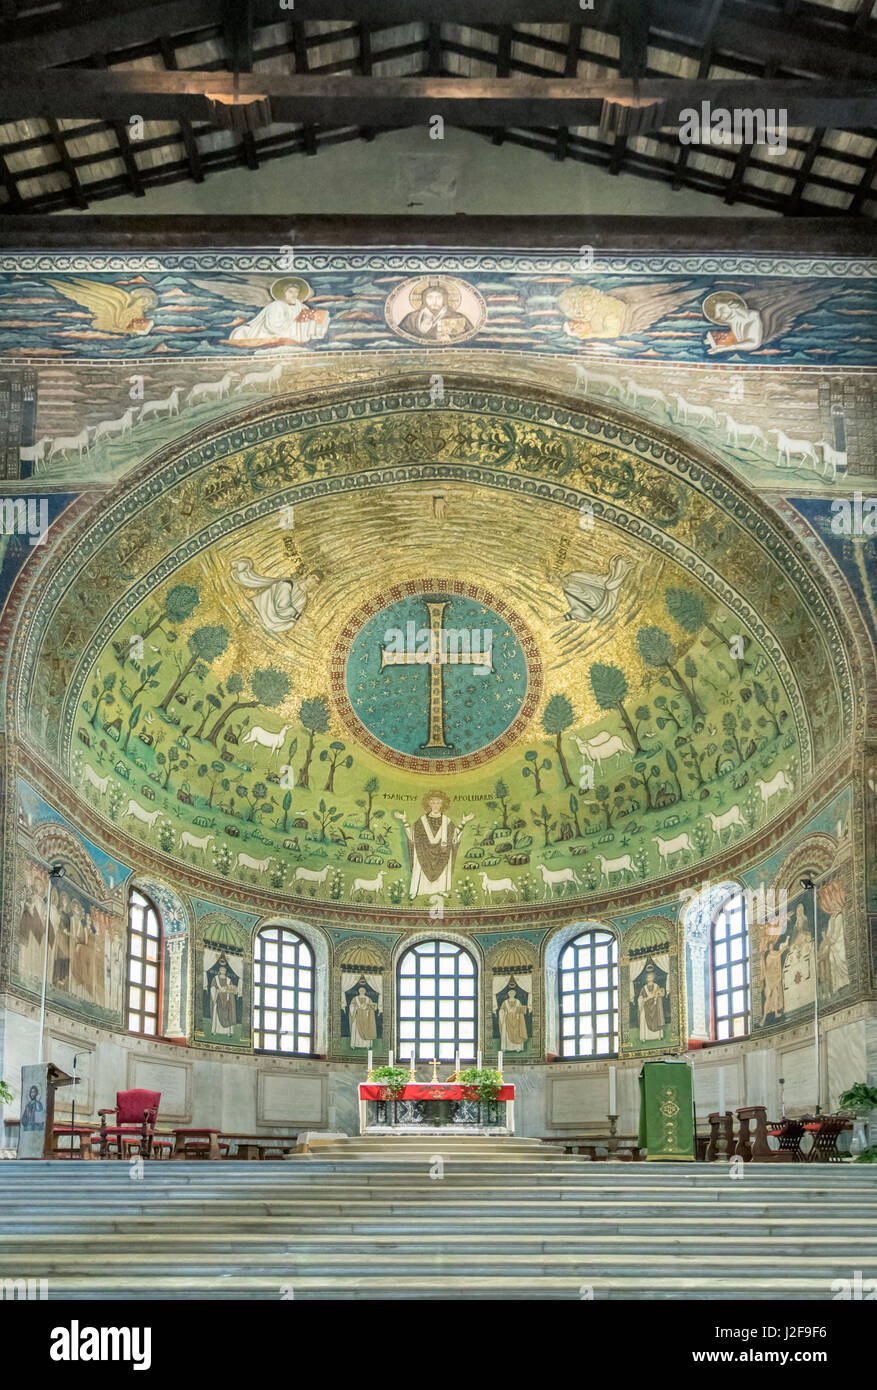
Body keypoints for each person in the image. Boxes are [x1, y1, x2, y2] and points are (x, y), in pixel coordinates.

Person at [395, 791, 473, 899]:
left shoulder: (447, 821)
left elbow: (454, 837)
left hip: (442, 853)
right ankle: (417, 890)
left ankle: (441, 890)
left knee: (443, 868)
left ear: (442, 805)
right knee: (420, 866)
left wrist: (463, 822)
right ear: (429, 804)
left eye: (438, 803)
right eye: (433, 802)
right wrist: (404, 820)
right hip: (424, 852)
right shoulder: (421, 821)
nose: (435, 805)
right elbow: (413, 836)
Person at [231, 561, 322, 635]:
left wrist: (298, 618)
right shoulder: (289, 583)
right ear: (308, 576)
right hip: (266, 606)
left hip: (277, 617)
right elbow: (282, 604)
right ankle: (258, 613)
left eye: (316, 581)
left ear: (316, 586)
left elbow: (291, 615)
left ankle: (265, 625)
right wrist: (300, 618)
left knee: (291, 623)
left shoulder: (303, 599)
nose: (312, 582)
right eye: (313, 577)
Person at [229, 278, 329, 346]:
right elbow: (272, 326)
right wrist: (293, 320)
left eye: (296, 292)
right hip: (271, 331)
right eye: (290, 291)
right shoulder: (276, 305)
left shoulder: (301, 306)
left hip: (292, 330)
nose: (294, 294)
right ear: (284, 293)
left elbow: (308, 318)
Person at [398, 283, 475, 342]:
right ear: (424, 300)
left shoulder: (458, 317)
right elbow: (400, 336)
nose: (434, 301)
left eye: (438, 297)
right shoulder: (412, 317)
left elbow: (471, 336)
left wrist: (451, 338)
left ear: (444, 299)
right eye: (430, 298)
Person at [497, 983, 529, 1052]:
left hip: (516, 1020)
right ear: (508, 994)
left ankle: (517, 1048)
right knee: (506, 1033)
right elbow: (501, 1011)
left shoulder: (518, 1002)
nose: (511, 994)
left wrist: (519, 1012)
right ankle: (506, 1048)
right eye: (510, 993)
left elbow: (521, 1010)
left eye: (513, 993)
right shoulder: (505, 1002)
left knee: (517, 1033)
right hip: (507, 1020)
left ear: (515, 994)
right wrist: (503, 1013)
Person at [636, 967, 666, 1042]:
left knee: (656, 1019)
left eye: (651, 976)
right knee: (644, 1017)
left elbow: (660, 994)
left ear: (653, 977)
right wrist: (643, 1000)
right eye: (648, 977)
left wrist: (656, 997)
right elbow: (640, 997)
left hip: (655, 1007)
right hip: (646, 1006)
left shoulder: (656, 986)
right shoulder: (644, 988)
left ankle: (658, 1036)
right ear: (646, 978)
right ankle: (645, 1037)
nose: (649, 978)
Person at [210, 960, 238, 1037]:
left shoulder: (229, 980)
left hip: (227, 999)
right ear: (219, 970)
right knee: (217, 1014)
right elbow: (212, 988)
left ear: (225, 971)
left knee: (228, 1015)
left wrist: (228, 991)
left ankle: (228, 1032)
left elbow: (232, 989)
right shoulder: (215, 979)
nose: (223, 971)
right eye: (221, 970)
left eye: (224, 970)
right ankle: (215, 1031)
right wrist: (217, 991)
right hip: (218, 998)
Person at [348, 984, 378, 1049]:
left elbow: (373, 1007)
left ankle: (367, 1045)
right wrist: (356, 1008)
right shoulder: (355, 998)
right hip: (357, 1017)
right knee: (356, 1030)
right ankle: (355, 1044)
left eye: (363, 990)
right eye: (360, 990)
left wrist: (367, 1006)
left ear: (365, 991)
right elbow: (351, 1006)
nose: (362, 991)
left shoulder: (368, 999)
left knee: (367, 1029)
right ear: (359, 991)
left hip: (366, 1017)